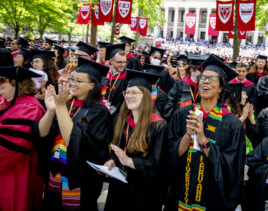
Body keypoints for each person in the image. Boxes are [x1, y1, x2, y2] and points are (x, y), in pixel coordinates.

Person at [166, 54, 246, 211]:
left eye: (212, 79)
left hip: (213, 197)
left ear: (221, 87)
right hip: (181, 191)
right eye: (203, 78)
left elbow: (232, 166)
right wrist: (188, 135)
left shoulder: (232, 124)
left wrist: (203, 140)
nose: (206, 82)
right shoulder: (183, 114)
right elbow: (169, 154)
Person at [34, 57, 112, 211]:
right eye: (72, 79)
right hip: (55, 173)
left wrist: (60, 106)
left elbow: (76, 141)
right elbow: (42, 134)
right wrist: (51, 111)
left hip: (79, 179)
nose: (73, 83)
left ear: (92, 85)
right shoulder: (67, 103)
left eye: (79, 81)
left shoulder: (99, 112)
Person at [103, 69, 168, 211]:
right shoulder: (123, 120)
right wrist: (113, 160)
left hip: (143, 190)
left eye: (134, 92)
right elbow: (118, 148)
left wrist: (129, 161)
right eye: (127, 92)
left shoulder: (158, 125)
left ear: (145, 96)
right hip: (120, 183)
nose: (129, 96)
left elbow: (158, 165)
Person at [0, 66, 46, 211]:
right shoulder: (8, 101)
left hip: (16, 173)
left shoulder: (28, 108)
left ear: (16, 83)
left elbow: (10, 148)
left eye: (2, 81)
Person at [163, 55, 205, 122]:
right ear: (191, 70)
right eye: (199, 71)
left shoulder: (202, 88)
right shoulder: (179, 84)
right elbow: (168, 106)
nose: (201, 74)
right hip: (179, 122)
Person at [103, 43, 127, 115]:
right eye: (119, 62)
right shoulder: (104, 73)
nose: (123, 65)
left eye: (125, 62)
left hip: (118, 115)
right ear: (111, 61)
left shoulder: (127, 77)